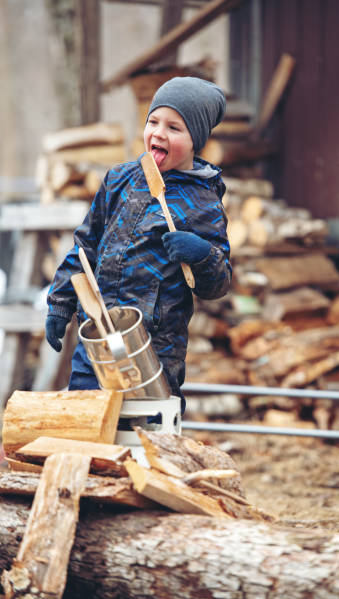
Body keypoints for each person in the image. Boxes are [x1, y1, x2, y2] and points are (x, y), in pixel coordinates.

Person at [45, 76, 232, 413]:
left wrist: (202, 254)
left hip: (154, 348)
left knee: (143, 436)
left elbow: (216, 284)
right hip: (99, 335)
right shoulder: (120, 180)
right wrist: (60, 301)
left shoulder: (203, 203)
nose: (158, 133)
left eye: (174, 128)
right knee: (86, 422)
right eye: (153, 121)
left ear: (196, 141)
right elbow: (85, 245)